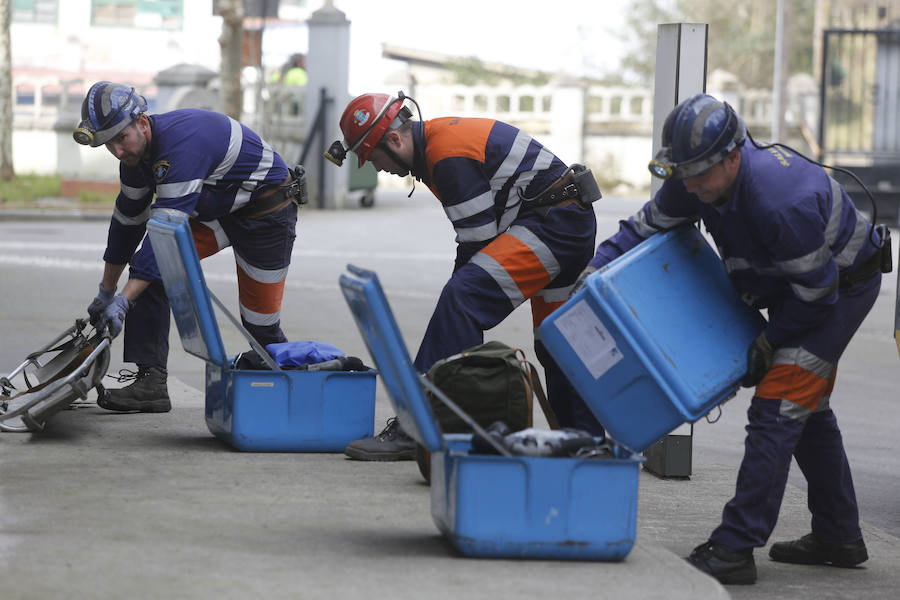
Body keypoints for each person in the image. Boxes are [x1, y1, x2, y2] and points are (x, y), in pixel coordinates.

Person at [577, 93, 888, 585]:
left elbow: (817, 296)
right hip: (802, 289)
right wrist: (593, 272)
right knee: (804, 409)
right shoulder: (692, 178)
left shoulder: (781, 201)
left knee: (778, 406)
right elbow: (645, 227)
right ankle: (838, 536)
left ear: (734, 157)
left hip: (839, 290)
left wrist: (771, 343)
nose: (692, 185)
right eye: (684, 174)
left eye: (701, 174)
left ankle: (734, 548)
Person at [326, 92, 605, 460]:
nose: (376, 168)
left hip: (553, 224)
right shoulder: (438, 146)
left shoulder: (447, 155)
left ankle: (417, 426)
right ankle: (584, 444)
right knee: (557, 341)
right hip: (563, 219)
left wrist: (453, 304)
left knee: (462, 300)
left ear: (395, 140)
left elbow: (478, 245)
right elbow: (476, 246)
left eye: (374, 157)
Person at [74, 81, 306, 413]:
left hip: (266, 214)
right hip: (222, 212)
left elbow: (165, 231)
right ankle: (151, 383)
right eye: (109, 145)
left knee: (261, 326)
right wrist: (106, 291)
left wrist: (123, 301)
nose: (118, 153)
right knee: (151, 275)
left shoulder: (182, 144)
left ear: (142, 122)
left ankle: (297, 398)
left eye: (120, 139)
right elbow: (127, 224)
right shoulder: (134, 158)